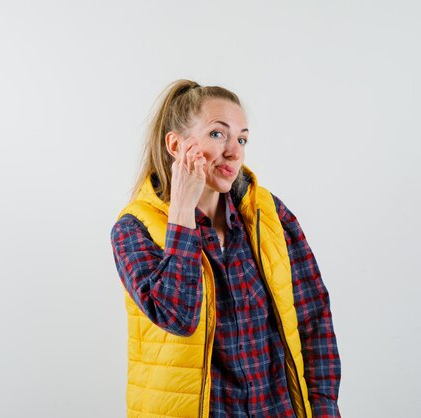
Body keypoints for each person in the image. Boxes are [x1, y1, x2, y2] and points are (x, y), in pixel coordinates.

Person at [110, 80, 341, 418]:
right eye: (218, 134)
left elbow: (314, 321)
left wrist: (324, 411)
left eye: (242, 139)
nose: (234, 151)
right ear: (176, 145)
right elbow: (177, 317)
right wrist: (182, 215)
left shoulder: (269, 214)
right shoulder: (133, 229)